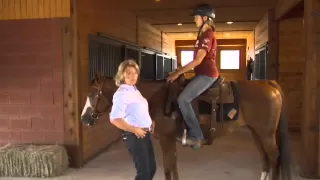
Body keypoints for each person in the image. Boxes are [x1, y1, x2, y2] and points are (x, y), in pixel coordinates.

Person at [167, 4, 219, 149]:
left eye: (196, 17)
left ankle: (197, 136)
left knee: (183, 99)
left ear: (205, 18)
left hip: (207, 75)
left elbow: (197, 60)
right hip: (202, 73)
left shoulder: (207, 36)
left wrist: (178, 73)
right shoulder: (202, 35)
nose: (195, 20)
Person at [109, 59, 156, 180]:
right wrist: (134, 129)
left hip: (144, 133)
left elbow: (138, 110)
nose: (132, 76)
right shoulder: (122, 93)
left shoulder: (134, 89)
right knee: (144, 174)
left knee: (151, 169)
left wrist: (150, 122)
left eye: (135, 73)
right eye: (128, 73)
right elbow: (115, 119)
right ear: (122, 75)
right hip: (134, 135)